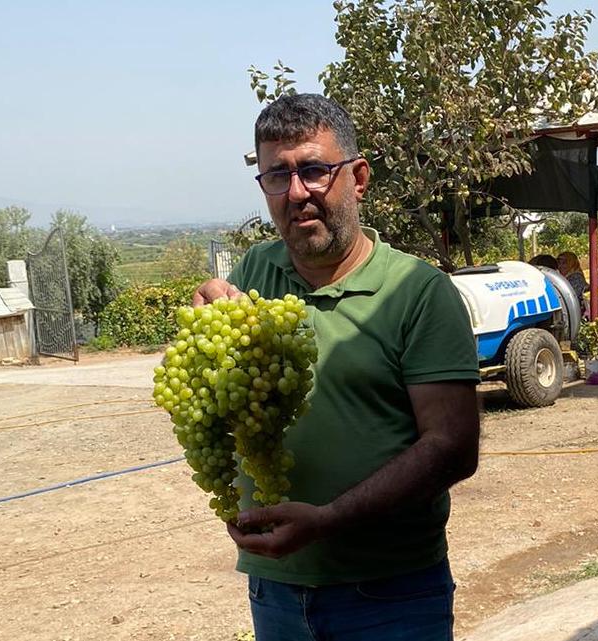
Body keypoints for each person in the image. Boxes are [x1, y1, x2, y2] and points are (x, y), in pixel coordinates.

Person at [193, 93, 481, 640]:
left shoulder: (418, 293)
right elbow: (226, 402)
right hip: (274, 589)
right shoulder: (255, 270)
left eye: (315, 170)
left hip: (391, 594)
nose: (297, 192)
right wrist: (206, 320)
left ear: (359, 178)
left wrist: (328, 521)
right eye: (277, 175)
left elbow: (452, 448)